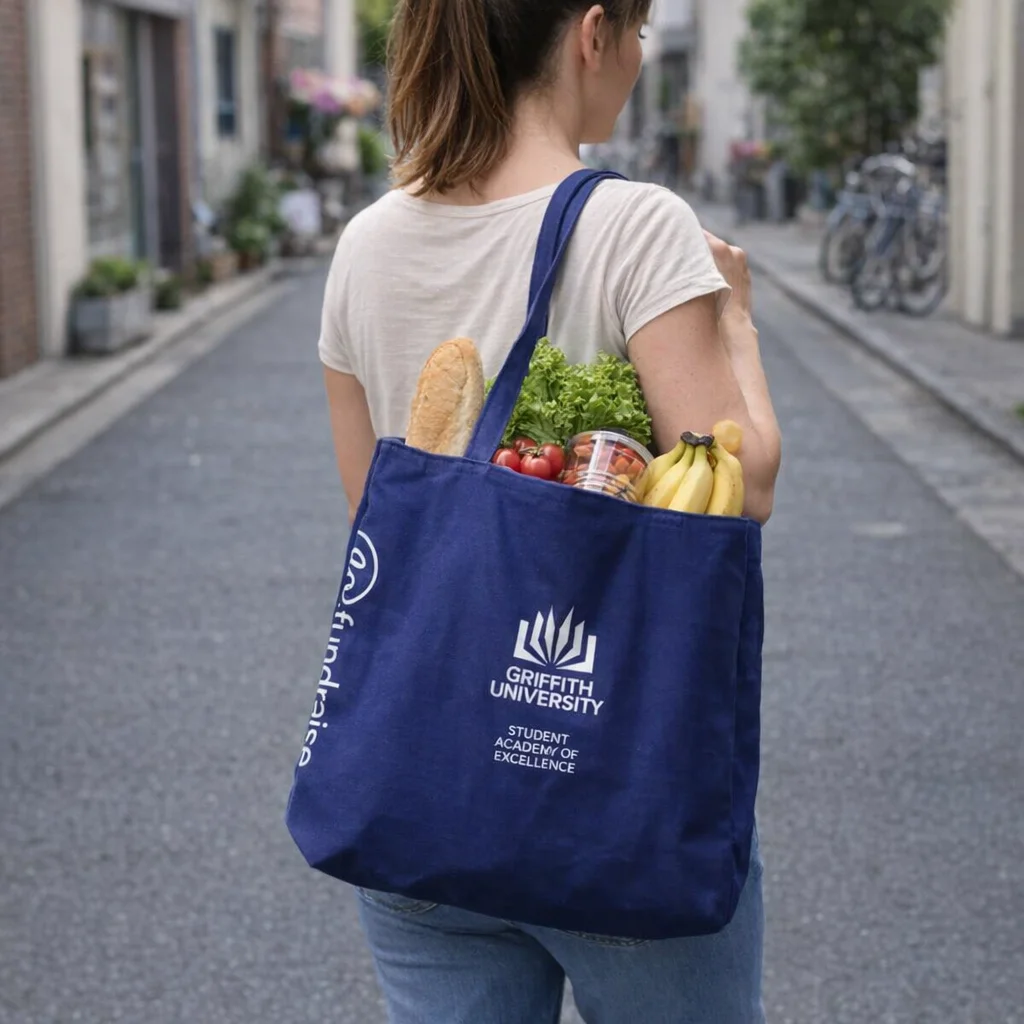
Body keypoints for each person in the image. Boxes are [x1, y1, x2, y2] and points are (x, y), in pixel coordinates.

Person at [316, 1, 782, 1020]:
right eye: (640, 32)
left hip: (420, 789)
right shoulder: (635, 224)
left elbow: (380, 522)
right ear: (590, 30)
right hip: (611, 795)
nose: (637, 55)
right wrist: (737, 322)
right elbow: (735, 488)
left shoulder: (365, 243)